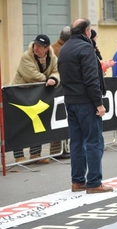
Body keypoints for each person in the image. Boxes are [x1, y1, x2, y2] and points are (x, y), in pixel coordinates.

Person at [58, 18, 113, 194]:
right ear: (87, 31)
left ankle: (78, 181)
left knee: (77, 142)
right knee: (94, 141)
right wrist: (99, 103)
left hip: (70, 101)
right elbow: (91, 79)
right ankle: (95, 182)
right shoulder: (86, 48)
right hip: (86, 102)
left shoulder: (65, 48)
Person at [12, 34, 60, 164]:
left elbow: (56, 71)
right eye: (35, 45)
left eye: (40, 46)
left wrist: (54, 79)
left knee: (38, 123)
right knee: (20, 125)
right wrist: (47, 79)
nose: (36, 48)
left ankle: (35, 154)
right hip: (20, 93)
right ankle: (19, 156)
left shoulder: (52, 57)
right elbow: (30, 75)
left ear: (46, 48)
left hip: (37, 94)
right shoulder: (26, 56)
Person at [51, 26, 71, 159]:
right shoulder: (59, 50)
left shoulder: (58, 47)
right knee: (58, 119)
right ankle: (57, 150)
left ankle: (61, 149)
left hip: (59, 88)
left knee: (61, 120)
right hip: (57, 89)